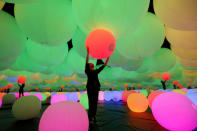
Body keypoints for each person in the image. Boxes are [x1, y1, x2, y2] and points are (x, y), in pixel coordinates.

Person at [85, 48, 109, 124]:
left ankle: (94, 115)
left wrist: (107, 58)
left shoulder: (96, 71)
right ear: (89, 66)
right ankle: (90, 118)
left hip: (96, 88)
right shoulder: (88, 71)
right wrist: (88, 53)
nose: (92, 64)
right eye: (91, 64)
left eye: (93, 64)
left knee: (95, 103)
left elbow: (104, 66)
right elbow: (86, 62)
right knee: (91, 103)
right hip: (90, 89)